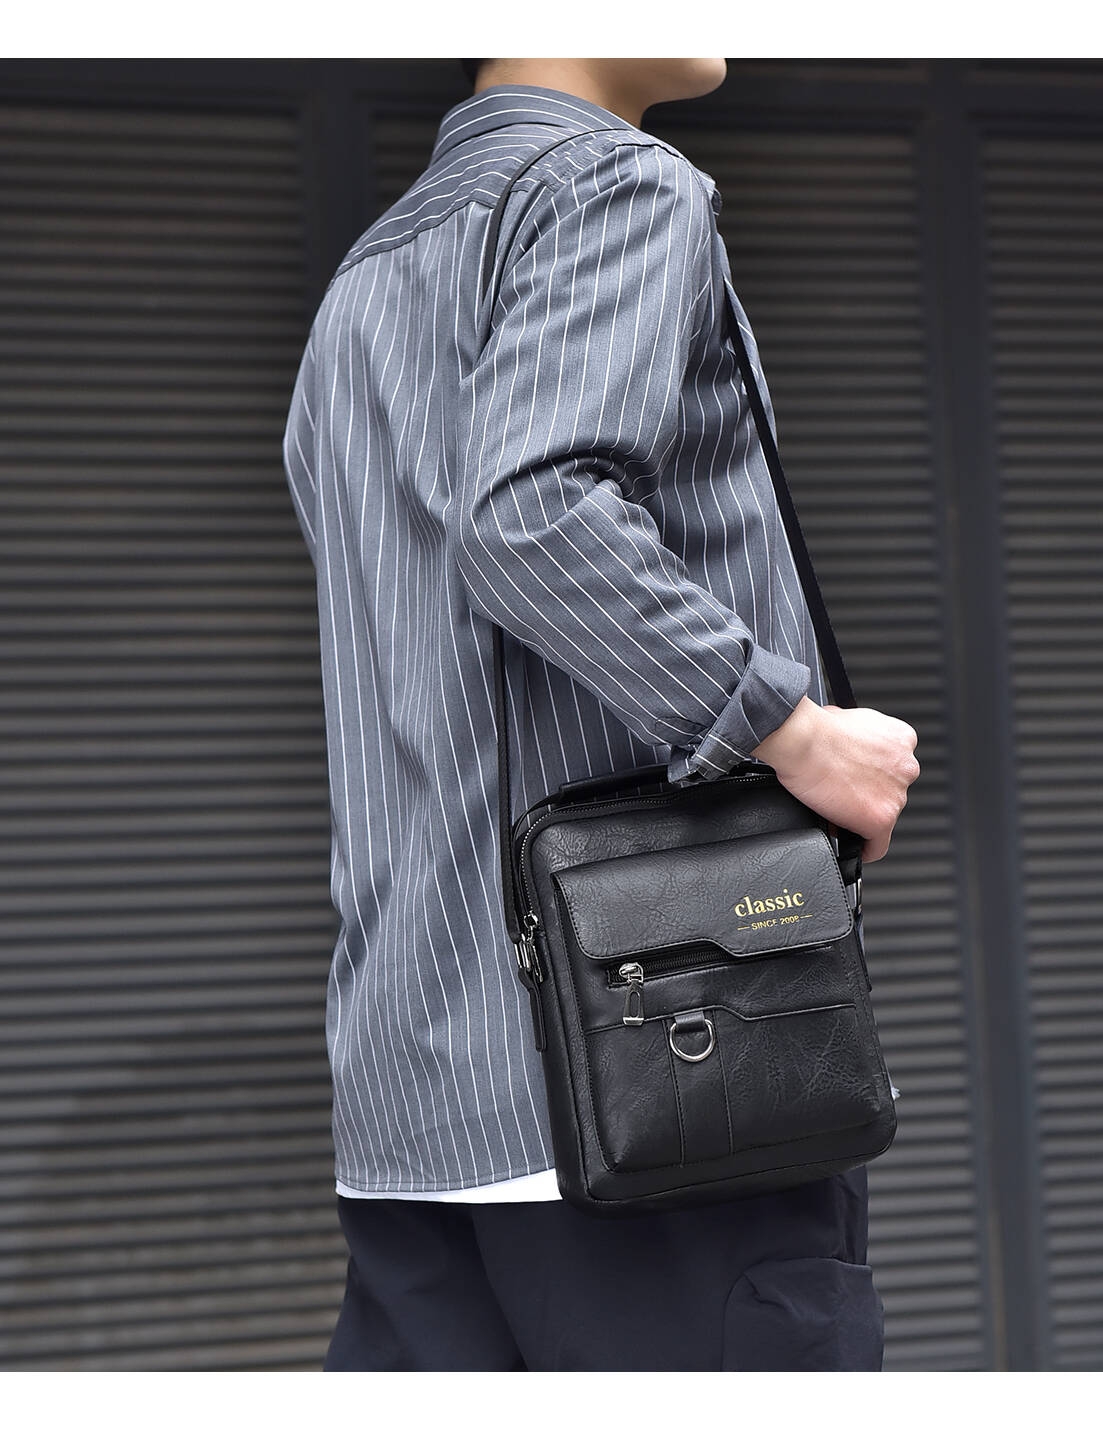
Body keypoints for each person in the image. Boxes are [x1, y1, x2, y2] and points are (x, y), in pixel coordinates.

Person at [281, 56, 919, 1371]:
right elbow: (532, 518)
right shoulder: (616, 185)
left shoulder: (365, 279)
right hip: (655, 1073)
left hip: (417, 1108)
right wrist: (797, 730)